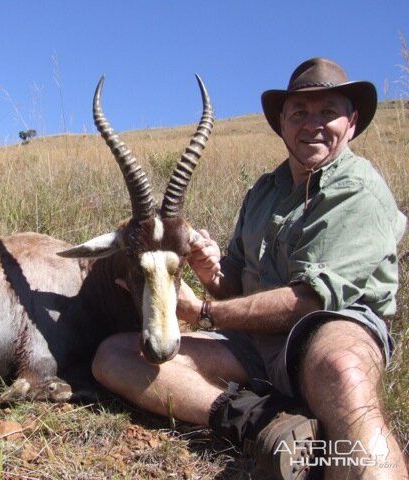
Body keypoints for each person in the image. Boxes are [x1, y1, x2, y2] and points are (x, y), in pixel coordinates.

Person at [92, 58, 408, 480]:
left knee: (342, 372)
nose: (313, 123)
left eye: (328, 111)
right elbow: (236, 285)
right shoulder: (264, 191)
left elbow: (307, 303)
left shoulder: (360, 190)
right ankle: (267, 424)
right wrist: (212, 274)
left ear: (351, 122)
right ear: (282, 122)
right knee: (115, 354)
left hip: (327, 332)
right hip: (253, 343)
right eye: (300, 112)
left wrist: (203, 312)